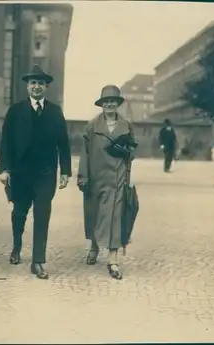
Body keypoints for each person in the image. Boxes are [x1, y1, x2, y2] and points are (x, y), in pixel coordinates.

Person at [0, 65, 72, 280]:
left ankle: (38, 261)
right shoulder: (15, 110)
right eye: (33, 83)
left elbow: (63, 143)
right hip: (20, 172)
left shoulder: (55, 112)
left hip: (45, 173)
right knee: (19, 212)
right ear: (27, 86)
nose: (36, 87)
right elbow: (6, 143)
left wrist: (65, 171)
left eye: (40, 83)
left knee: (42, 214)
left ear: (46, 87)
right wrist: (4, 169)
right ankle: (16, 246)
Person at [77, 85, 138, 280]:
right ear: (102, 104)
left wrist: (127, 153)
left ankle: (113, 258)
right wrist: (83, 176)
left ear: (118, 104)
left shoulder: (126, 126)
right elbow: (84, 153)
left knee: (115, 216)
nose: (110, 104)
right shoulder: (92, 126)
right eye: (106, 101)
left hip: (117, 178)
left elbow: (132, 150)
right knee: (95, 214)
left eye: (113, 101)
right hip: (96, 177)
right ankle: (94, 246)